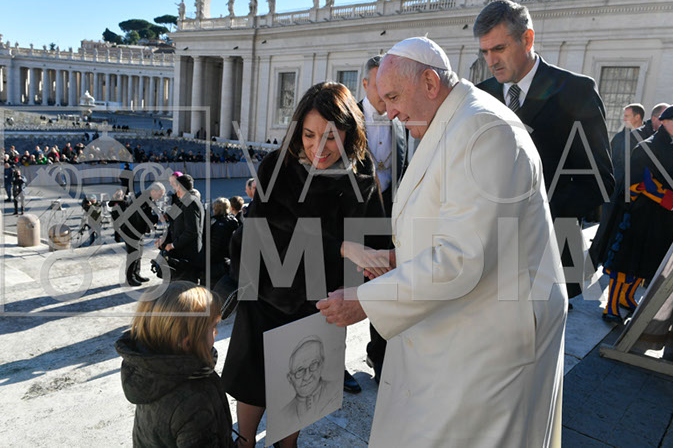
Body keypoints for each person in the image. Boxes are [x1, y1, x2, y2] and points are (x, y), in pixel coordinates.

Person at [317, 37, 567, 447]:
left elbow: (463, 256)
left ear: (430, 83)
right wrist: (399, 257)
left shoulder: (484, 132)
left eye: (394, 97)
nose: (390, 112)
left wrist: (366, 300)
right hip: (467, 321)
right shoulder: (455, 121)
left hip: (492, 340)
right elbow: (462, 227)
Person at [221, 82, 385, 448]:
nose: (317, 147)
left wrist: (357, 288)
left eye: (330, 137)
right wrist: (340, 247)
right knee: (253, 386)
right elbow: (260, 237)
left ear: (349, 132)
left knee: (298, 398)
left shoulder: (362, 173)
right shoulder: (276, 167)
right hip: (266, 296)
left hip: (320, 303)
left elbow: (372, 240)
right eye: (309, 135)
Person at [474, 0, 614, 302]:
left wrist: (535, 213)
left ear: (527, 39)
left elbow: (600, 181)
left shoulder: (576, 91)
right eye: (484, 52)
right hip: (487, 255)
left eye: (499, 48)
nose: (491, 61)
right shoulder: (481, 94)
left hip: (549, 254)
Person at [591, 105, 673, 323]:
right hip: (640, 215)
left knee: (647, 260)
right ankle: (612, 304)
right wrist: (670, 199)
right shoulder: (647, 147)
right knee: (626, 262)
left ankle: (627, 297)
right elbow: (639, 182)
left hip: (663, 218)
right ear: (663, 121)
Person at [115, 281, 235, 447]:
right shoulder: (194, 401)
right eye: (213, 327)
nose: (216, 332)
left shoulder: (152, 372)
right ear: (187, 342)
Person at [356, 54, 408, 386]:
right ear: (364, 84)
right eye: (379, 84)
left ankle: (380, 357)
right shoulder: (344, 118)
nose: (387, 91)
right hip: (349, 222)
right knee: (340, 291)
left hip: (388, 222)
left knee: (385, 289)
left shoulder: (400, 121)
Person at [279, 336, 340, 428]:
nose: (307, 376)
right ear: (290, 378)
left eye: (313, 364)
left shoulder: (335, 391)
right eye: (300, 370)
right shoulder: (284, 413)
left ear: (322, 364)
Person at [157, 174, 204, 283]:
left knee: (184, 286)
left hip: (187, 255)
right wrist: (164, 240)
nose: (173, 188)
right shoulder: (183, 200)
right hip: (180, 252)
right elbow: (173, 220)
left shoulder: (190, 202)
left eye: (174, 185)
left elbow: (192, 231)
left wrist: (173, 245)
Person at [120, 183, 165, 287]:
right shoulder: (142, 198)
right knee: (133, 254)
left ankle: (136, 274)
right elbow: (144, 216)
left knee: (139, 252)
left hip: (137, 230)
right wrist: (157, 218)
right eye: (160, 195)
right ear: (153, 191)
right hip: (130, 230)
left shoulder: (147, 196)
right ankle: (130, 278)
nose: (160, 198)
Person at [204, 197, 240, 291]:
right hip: (230, 260)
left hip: (216, 262)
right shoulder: (234, 221)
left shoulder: (215, 223)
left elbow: (214, 245)